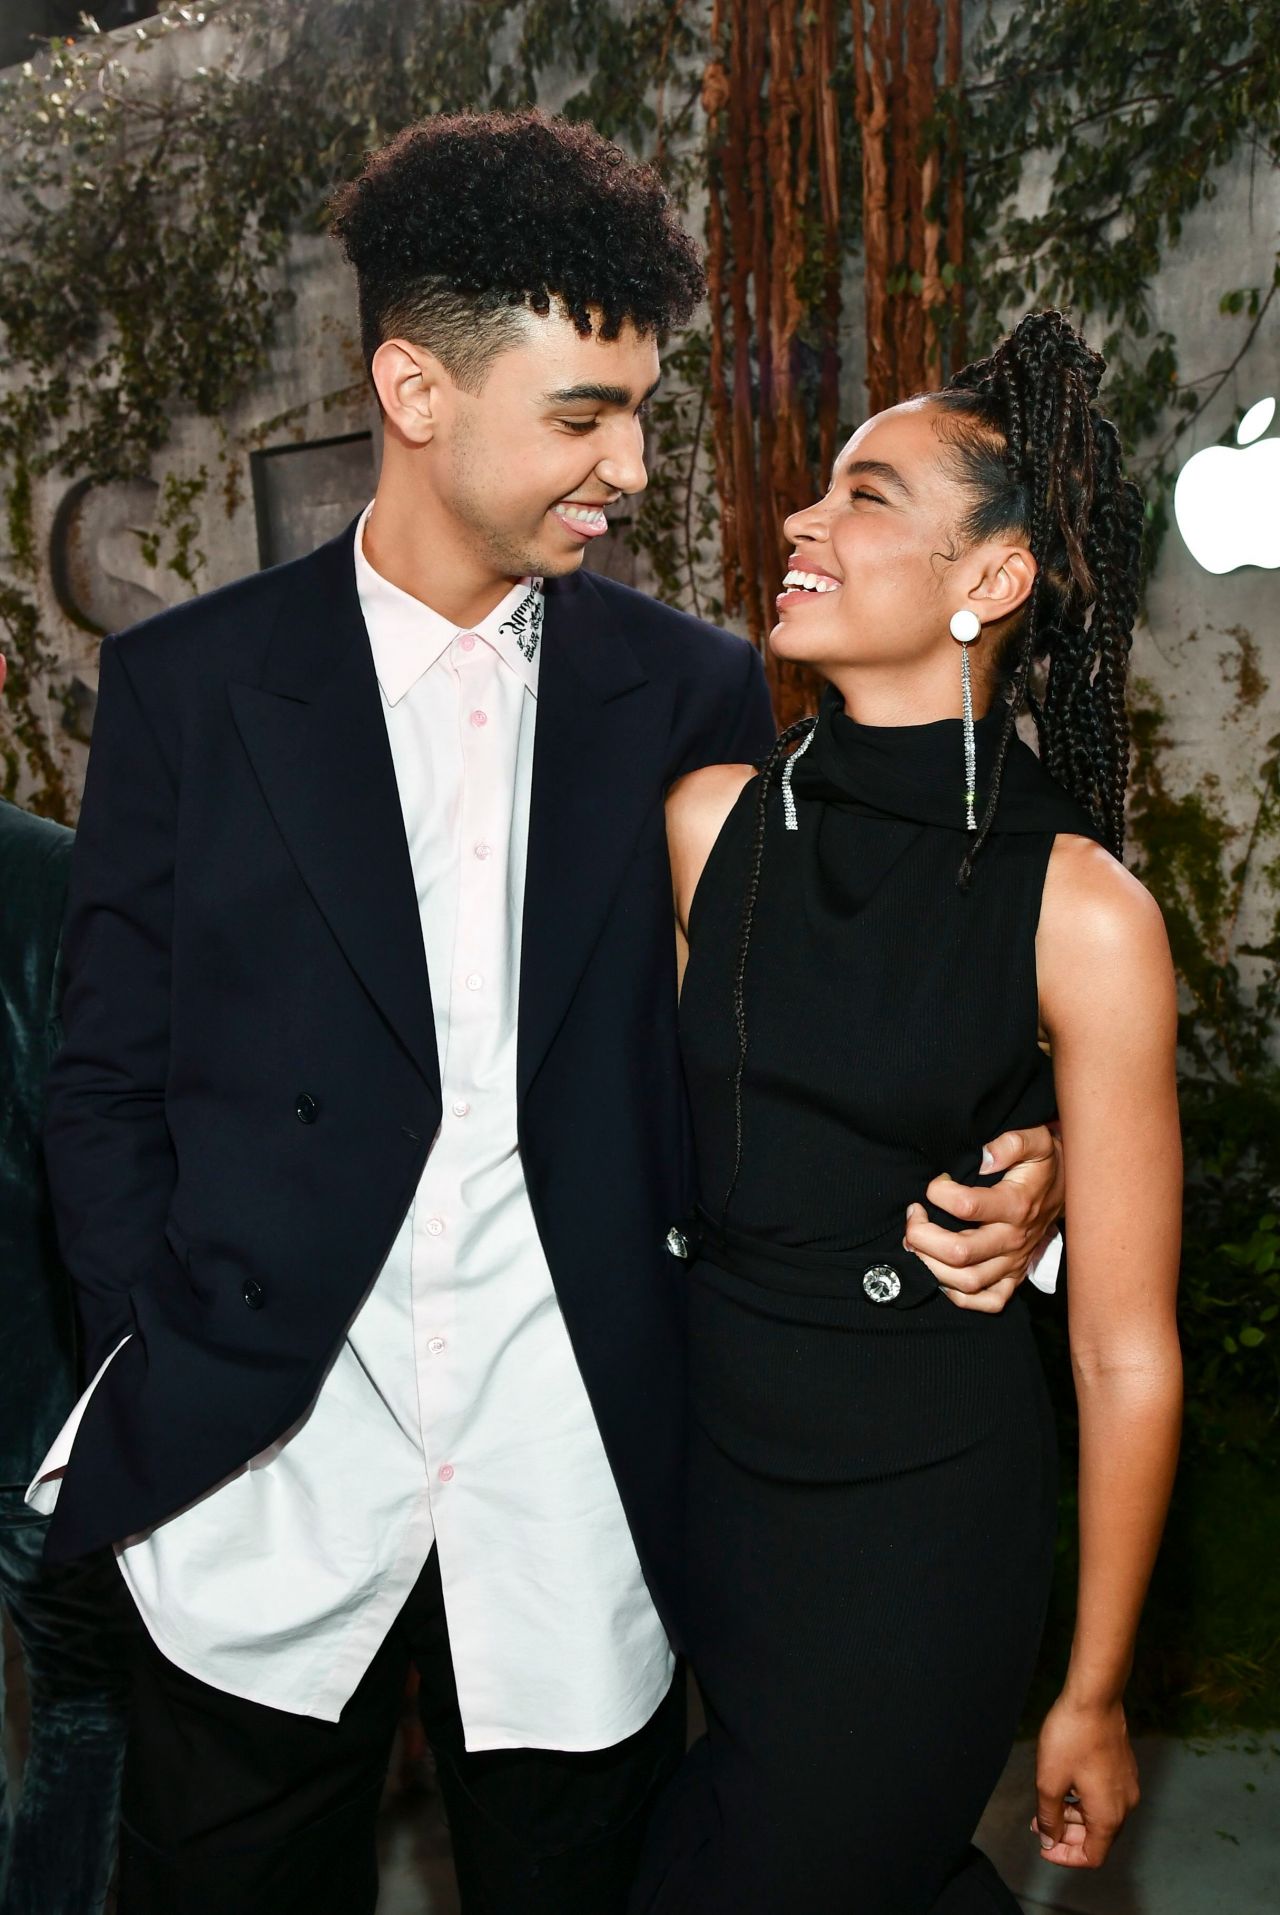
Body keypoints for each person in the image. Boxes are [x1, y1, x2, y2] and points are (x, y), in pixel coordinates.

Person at [28, 113, 1064, 1915]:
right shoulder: (191, 685)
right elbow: (102, 1068)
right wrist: (158, 1349)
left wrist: (1028, 1173)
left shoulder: (690, 694)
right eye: (586, 415)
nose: (631, 465)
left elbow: (826, 1026)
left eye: (641, 413)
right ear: (415, 389)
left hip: (578, 1487)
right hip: (260, 1488)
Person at [636, 310, 1184, 1915]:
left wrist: (1093, 1686)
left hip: (923, 1513)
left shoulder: (1082, 908)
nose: (803, 518)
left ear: (990, 581)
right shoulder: (708, 825)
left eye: (866, 496)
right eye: (820, 487)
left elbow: (1126, 1349)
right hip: (716, 1489)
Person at [0, 650, 133, 1915]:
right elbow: (101, 1156)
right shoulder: (57, 877)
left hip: (43, 1387)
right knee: (86, 1709)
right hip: (39, 1395)